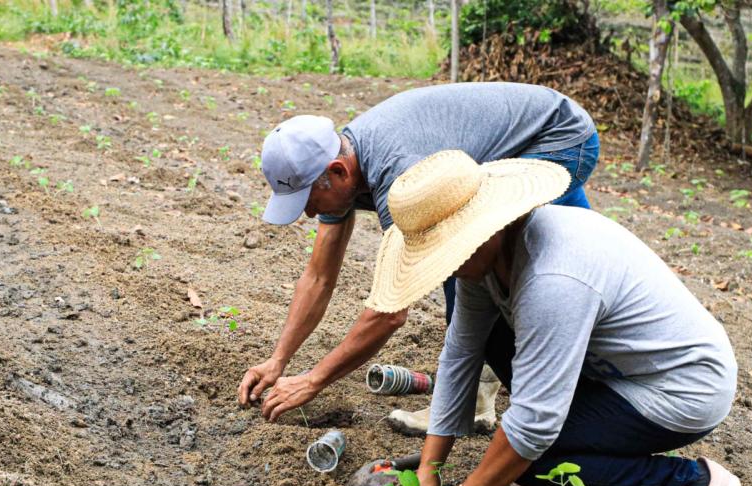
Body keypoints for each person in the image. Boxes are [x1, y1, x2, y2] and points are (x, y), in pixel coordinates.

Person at [364, 150, 739, 486]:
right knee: (494, 351)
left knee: (530, 463)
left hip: (682, 387)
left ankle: (691, 482)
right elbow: (460, 356)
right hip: (612, 371)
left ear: (484, 227)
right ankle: (599, 451)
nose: (443, 266)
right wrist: (429, 470)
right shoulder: (484, 259)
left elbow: (533, 425)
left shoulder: (553, 279)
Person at [238, 83, 599, 431]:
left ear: (337, 172)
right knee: (575, 251)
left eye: (309, 202)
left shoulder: (399, 173)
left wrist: (313, 380)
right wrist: (278, 360)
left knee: (468, 259)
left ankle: (481, 399)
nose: (311, 215)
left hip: (555, 137)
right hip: (518, 135)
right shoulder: (340, 165)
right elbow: (318, 277)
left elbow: (390, 312)